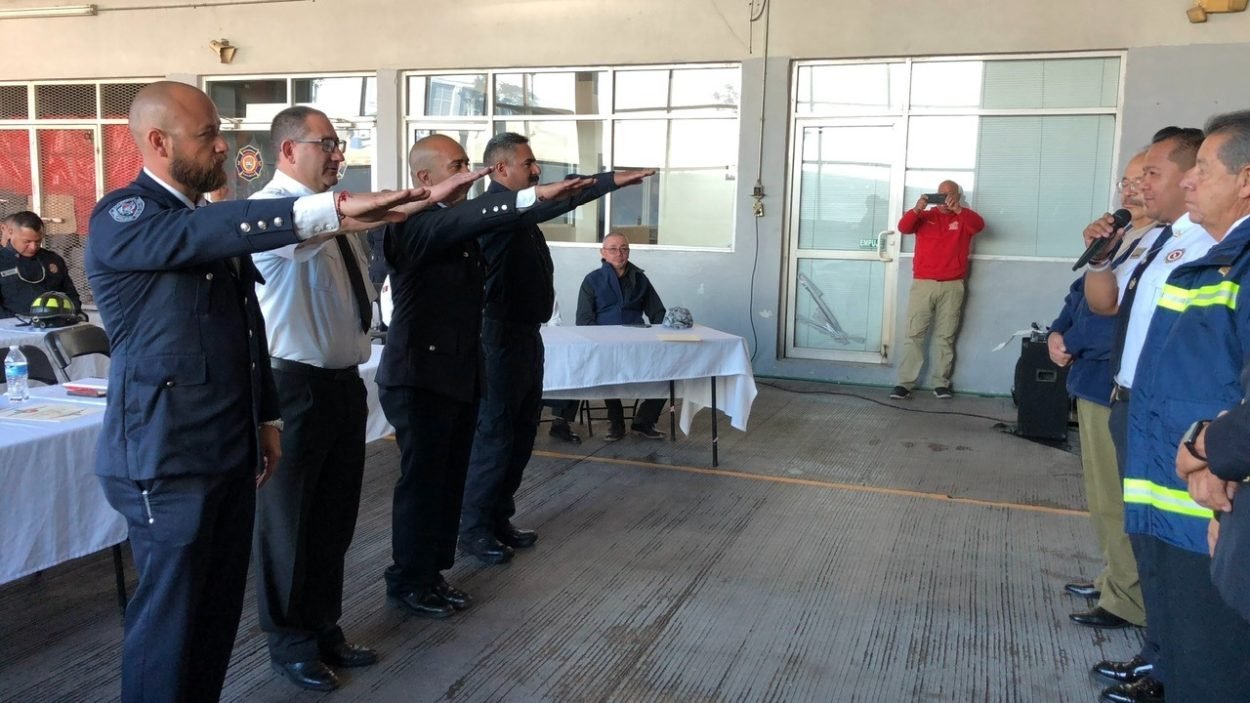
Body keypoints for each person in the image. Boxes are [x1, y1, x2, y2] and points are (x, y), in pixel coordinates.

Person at [83, 81, 430, 703]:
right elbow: (206, 233)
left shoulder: (208, 222)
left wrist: (265, 417)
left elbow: (248, 332)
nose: (223, 146)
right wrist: (337, 208)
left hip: (225, 444)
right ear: (158, 142)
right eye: (207, 135)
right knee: (172, 622)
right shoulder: (125, 216)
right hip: (167, 453)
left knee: (214, 613)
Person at [377, 134, 592, 615]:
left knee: (456, 469)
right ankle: (414, 576)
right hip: (426, 369)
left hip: (465, 360)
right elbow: (473, 226)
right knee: (432, 478)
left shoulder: (463, 222)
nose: (469, 173)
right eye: (458, 166)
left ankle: (434, 571)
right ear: (425, 178)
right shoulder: (415, 225)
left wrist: (600, 185)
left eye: (468, 164)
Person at [460, 132, 653, 565]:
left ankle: (498, 518)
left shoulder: (522, 216)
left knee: (523, 430)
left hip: (526, 336)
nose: (536, 171)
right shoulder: (498, 212)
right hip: (497, 338)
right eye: (528, 163)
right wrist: (608, 182)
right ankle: (474, 529)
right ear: (501, 169)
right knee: (496, 434)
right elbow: (560, 200)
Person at [247, 106, 388, 691]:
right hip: (294, 385)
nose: (338, 154)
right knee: (289, 524)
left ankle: (324, 626)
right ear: (288, 150)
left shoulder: (332, 212)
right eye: (326, 143)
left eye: (339, 143)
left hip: (341, 383)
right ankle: (290, 642)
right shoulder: (269, 213)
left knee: (333, 517)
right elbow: (308, 231)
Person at [1081, 126, 1213, 703]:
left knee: (1179, 549)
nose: (1139, 187)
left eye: (1151, 174)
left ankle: (1176, 669)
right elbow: (1106, 303)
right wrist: (1102, 256)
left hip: (1174, 416)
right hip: (1131, 402)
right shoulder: (1160, 239)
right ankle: (1159, 653)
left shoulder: (1211, 244)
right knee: (1148, 537)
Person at [1123, 110, 1250, 703]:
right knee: (1185, 646)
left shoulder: (1235, 264)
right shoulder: (1212, 260)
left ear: (1245, 180)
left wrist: (1209, 447)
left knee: (1214, 662)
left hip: (1215, 502)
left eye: (1202, 167)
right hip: (1177, 494)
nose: (1189, 180)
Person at [1047, 152, 1151, 634]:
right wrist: (1057, 331)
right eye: (1126, 180)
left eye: (1146, 177)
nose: (1131, 189)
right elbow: (1080, 297)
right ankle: (1114, 579)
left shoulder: (1166, 244)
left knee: (1117, 497)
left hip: (1114, 382)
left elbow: (1116, 322)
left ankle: (1128, 599)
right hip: (1090, 380)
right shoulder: (1123, 241)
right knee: (1101, 495)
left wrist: (1074, 340)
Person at [890, 180, 984, 400]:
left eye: (949, 195)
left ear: (958, 196)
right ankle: (904, 383)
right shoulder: (925, 216)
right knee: (914, 334)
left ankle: (941, 383)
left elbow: (978, 226)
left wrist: (958, 210)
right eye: (940, 195)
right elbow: (904, 228)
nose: (944, 199)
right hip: (923, 284)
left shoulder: (964, 217)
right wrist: (917, 208)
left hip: (953, 285)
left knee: (946, 335)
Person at [575, 231, 669, 440]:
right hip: (604, 344)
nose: (619, 253)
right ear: (603, 253)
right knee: (606, 372)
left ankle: (644, 421)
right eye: (613, 249)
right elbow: (583, 319)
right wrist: (602, 340)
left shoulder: (640, 279)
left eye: (624, 249)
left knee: (668, 372)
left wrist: (664, 332)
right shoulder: (592, 280)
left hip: (637, 341)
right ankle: (616, 423)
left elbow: (657, 312)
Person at [0, 211, 82, 318]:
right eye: (27, 241)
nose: (33, 247)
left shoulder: (52, 259)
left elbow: (70, 294)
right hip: (13, 324)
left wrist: (71, 314)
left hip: (54, 321)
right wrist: (19, 320)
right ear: (11, 232)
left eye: (38, 241)